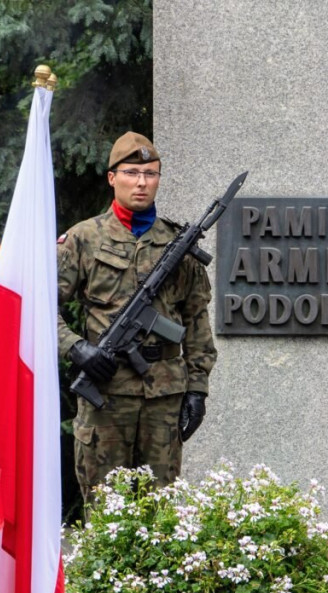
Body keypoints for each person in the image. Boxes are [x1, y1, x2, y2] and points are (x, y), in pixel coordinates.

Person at [57, 131, 217, 501]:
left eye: (150, 173)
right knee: (107, 514)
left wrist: (197, 390)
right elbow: (39, 309)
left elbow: (196, 324)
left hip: (164, 399)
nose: (141, 183)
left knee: (161, 515)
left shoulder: (178, 246)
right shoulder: (84, 239)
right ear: (112, 177)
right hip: (105, 398)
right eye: (131, 172)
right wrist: (76, 348)